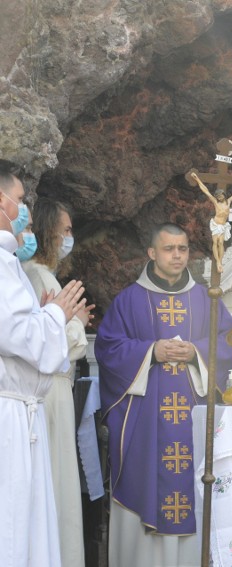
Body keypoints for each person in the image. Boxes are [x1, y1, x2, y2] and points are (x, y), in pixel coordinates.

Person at [95, 222, 232, 567]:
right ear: (152, 253)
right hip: (145, 423)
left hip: (194, 418)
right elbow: (108, 349)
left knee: (194, 483)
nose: (177, 255)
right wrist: (150, 352)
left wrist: (198, 352)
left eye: (183, 249)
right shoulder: (129, 299)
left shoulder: (206, 298)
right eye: (169, 249)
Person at [0, 169, 89, 566]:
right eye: (20, 201)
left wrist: (53, 316)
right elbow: (21, 335)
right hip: (10, 412)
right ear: (2, 202)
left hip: (23, 408)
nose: (23, 212)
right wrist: (57, 314)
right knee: (17, 522)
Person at [22, 198, 93, 567]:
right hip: (50, 392)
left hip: (54, 390)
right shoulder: (39, 277)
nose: (70, 237)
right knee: (59, 485)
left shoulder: (38, 276)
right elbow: (51, 344)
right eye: (65, 230)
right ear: (50, 231)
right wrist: (77, 322)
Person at [191, 172, 232, 273]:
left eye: (221, 196)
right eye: (218, 197)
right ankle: (218, 263)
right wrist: (197, 179)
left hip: (223, 225)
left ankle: (220, 261)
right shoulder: (215, 202)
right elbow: (206, 191)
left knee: (221, 243)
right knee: (216, 243)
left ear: (223, 195)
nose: (219, 198)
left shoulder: (228, 201)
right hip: (216, 224)